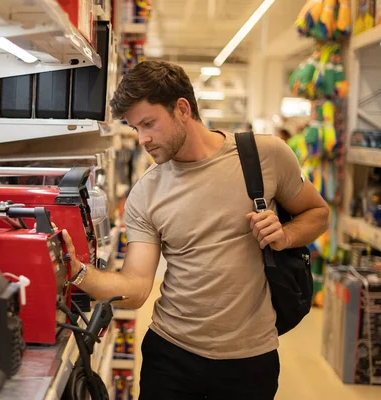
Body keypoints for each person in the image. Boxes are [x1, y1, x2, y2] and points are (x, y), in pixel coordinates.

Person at [60, 60, 329, 399]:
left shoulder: (264, 154)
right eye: (135, 128)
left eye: (149, 124)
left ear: (182, 109)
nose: (142, 139)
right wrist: (77, 272)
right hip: (171, 355)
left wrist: (286, 235)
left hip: (251, 359)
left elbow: (318, 213)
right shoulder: (146, 192)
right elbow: (137, 287)